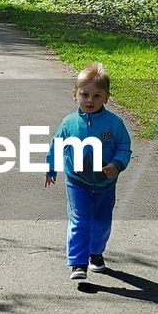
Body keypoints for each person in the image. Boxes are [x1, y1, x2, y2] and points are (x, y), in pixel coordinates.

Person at [44, 62, 132, 281]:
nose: (90, 100)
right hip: (78, 182)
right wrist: (51, 168)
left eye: (96, 96)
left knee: (102, 222)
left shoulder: (114, 124)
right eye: (85, 95)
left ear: (106, 97)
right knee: (80, 219)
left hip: (105, 184)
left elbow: (124, 147)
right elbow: (57, 145)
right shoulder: (69, 123)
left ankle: (96, 253)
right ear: (75, 95)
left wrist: (117, 164)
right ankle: (77, 262)